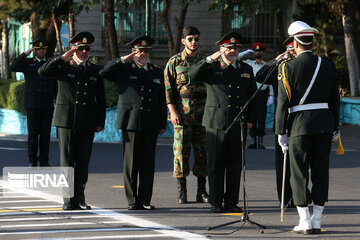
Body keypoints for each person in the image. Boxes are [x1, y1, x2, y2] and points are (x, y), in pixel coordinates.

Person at [275, 21, 340, 234]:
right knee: (321, 171)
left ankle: (304, 221)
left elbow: (282, 102)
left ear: (294, 42)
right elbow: (335, 99)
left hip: (298, 124)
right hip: (324, 123)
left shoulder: (288, 66)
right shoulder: (328, 64)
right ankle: (318, 219)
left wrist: (280, 131)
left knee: (299, 172)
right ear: (312, 41)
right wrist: (335, 127)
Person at [188, 32, 257, 213]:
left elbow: (252, 97)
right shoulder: (211, 69)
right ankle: (216, 201)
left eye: (235, 48)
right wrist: (210, 59)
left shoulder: (245, 69)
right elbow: (192, 74)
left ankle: (231, 202)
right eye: (229, 48)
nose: (233, 51)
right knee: (216, 165)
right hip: (215, 123)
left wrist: (250, 119)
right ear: (221, 49)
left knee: (235, 165)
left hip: (237, 123)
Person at [38, 32, 106, 210]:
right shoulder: (62, 67)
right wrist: (62, 57)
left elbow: (101, 98)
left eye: (87, 49)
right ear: (73, 49)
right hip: (66, 120)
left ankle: (80, 198)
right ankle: (68, 199)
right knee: (67, 161)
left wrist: (100, 121)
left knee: (83, 161)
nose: (84, 51)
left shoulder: (93, 70)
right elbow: (43, 71)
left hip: (87, 120)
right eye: (80, 48)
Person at [100, 35, 167, 210]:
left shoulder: (156, 71)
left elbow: (161, 99)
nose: (142, 54)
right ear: (133, 52)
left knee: (147, 163)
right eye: (139, 51)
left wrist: (162, 124)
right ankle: (132, 200)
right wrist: (125, 59)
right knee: (131, 163)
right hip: (130, 122)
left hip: (151, 122)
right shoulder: (124, 69)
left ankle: (145, 200)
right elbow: (104, 72)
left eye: (145, 51)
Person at [164, 26, 209, 204]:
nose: (194, 42)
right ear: (183, 41)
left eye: (196, 39)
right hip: (182, 114)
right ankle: (182, 191)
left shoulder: (205, 61)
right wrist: (172, 110)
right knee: (181, 153)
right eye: (190, 39)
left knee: (202, 153)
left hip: (203, 114)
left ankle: (201, 191)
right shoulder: (174, 62)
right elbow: (168, 90)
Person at [255, 42, 297, 208]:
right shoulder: (279, 68)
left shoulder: (304, 68)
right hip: (284, 122)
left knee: (300, 163)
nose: (291, 54)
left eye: (294, 51)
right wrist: (276, 60)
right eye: (288, 51)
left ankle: (300, 196)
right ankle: (285, 198)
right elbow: (260, 77)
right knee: (283, 164)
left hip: (301, 120)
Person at [10, 38, 56, 167]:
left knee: (45, 135)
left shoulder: (51, 64)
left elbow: (55, 84)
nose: (41, 51)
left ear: (46, 50)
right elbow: (13, 67)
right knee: (33, 135)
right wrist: (25, 54)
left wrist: (56, 99)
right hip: (32, 104)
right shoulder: (28, 63)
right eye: (38, 49)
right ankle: (32, 160)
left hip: (47, 104)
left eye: (43, 49)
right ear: (34, 50)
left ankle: (44, 161)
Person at [238, 42, 273, 149]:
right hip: (251, 93)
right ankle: (253, 140)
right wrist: (244, 52)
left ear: (263, 52)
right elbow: (236, 59)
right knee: (251, 118)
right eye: (256, 51)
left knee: (261, 117)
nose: (258, 52)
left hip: (262, 94)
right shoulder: (249, 63)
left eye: (260, 51)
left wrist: (271, 95)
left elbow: (270, 79)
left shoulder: (267, 65)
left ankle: (261, 141)